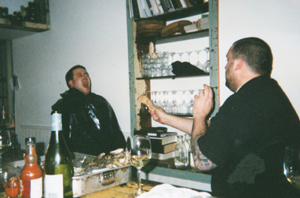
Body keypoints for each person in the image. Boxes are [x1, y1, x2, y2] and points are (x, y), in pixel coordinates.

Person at [149, 37, 300, 198]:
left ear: (239, 63)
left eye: (228, 60)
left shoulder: (243, 101)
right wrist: (166, 118)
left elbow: (202, 162)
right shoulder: (269, 92)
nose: (225, 65)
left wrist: (199, 115)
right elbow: (217, 132)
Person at [52, 65, 126, 156]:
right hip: (81, 161)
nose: (85, 76)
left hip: (106, 161)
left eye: (86, 74)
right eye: (79, 75)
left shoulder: (100, 101)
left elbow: (115, 132)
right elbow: (62, 141)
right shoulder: (64, 105)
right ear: (71, 83)